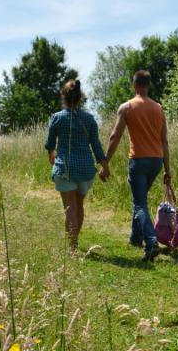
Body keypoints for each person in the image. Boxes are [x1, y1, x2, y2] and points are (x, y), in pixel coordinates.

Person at [100, 70, 171, 262]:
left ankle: (151, 242)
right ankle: (135, 237)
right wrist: (167, 169)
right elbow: (164, 141)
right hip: (156, 161)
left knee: (139, 203)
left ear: (134, 85)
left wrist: (105, 161)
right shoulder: (158, 108)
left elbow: (115, 136)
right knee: (140, 199)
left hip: (138, 161)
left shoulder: (127, 107)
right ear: (149, 85)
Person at [45, 79, 109, 252]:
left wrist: (51, 154)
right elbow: (96, 145)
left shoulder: (57, 118)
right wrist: (105, 166)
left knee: (70, 207)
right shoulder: (89, 119)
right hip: (85, 168)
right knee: (79, 205)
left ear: (64, 97)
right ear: (80, 97)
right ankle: (75, 241)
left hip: (65, 167)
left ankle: (72, 246)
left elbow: (50, 143)